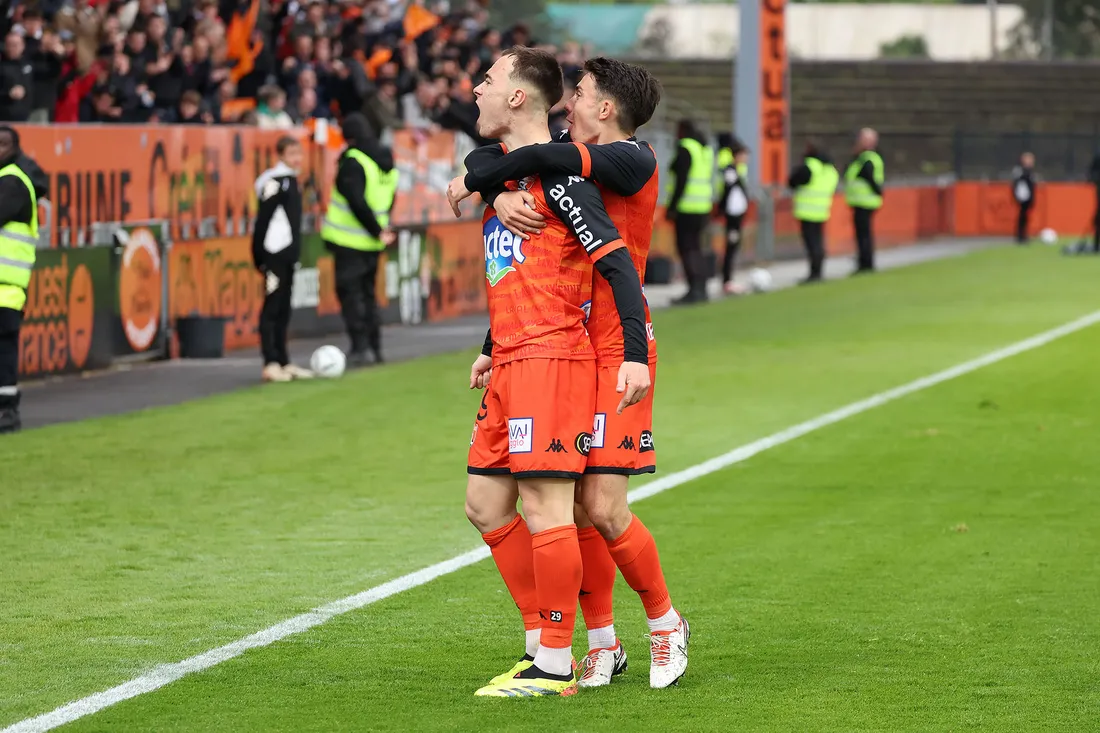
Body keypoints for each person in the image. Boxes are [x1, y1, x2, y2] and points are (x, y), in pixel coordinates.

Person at [449, 56, 689, 691]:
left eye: (578, 95)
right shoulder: (564, 156)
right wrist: (493, 192)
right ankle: (603, 643)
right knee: (577, 505)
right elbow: (518, 192)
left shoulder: (630, 159)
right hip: (570, 336)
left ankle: (665, 622)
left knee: (602, 505)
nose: (569, 106)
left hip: (620, 344)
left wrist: (482, 183)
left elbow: (537, 162)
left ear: (604, 108)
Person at [320, 113, 397, 367]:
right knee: (368, 297)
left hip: (350, 241)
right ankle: (375, 348)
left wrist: (375, 229)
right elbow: (388, 199)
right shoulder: (386, 160)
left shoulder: (354, 161)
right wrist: (382, 229)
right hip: (373, 242)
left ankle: (360, 348)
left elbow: (356, 201)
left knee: (352, 297)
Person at [252, 135, 312, 383]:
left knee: (284, 308)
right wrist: (259, 255)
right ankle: (270, 361)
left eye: (299, 153)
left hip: (288, 254)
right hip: (274, 253)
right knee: (272, 307)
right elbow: (262, 222)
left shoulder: (292, 181)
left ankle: (284, 360)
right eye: (291, 154)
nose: (297, 159)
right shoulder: (273, 182)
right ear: (281, 156)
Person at [0, 126, 47, 434]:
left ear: (13, 148)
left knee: (3, 348)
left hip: (5, 285)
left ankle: (7, 411)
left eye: (1, 144)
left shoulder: (13, 180)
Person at [665, 119, 714, 304]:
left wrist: (672, 207)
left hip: (687, 207)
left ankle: (694, 290)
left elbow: (681, 181)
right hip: (703, 207)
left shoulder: (686, 147)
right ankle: (701, 287)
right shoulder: (704, 149)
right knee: (696, 248)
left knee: (687, 248)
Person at [789, 140, 839, 284]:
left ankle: (814, 273)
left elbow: (793, 181)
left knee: (812, 244)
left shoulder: (810, 167)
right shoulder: (830, 170)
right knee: (818, 242)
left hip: (807, 210)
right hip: (822, 209)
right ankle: (818, 271)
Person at [845, 128, 885, 272]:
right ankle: (864, 261)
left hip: (864, 201)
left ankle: (865, 263)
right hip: (863, 201)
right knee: (864, 234)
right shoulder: (864, 157)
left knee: (863, 235)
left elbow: (869, 178)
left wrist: (879, 192)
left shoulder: (866, 158)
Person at [716, 133, 750, 295]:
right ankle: (726, 280)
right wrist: (721, 209)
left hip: (737, 215)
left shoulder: (736, 171)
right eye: (743, 155)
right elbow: (727, 193)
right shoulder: (730, 171)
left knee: (733, 246)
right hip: (733, 216)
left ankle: (728, 279)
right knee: (731, 245)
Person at [1011, 152, 1036, 245]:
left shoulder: (1030, 172)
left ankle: (1023, 235)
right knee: (1022, 217)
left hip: (1028, 197)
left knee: (1025, 217)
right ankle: (1020, 236)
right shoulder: (1020, 171)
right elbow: (1017, 185)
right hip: (1023, 197)